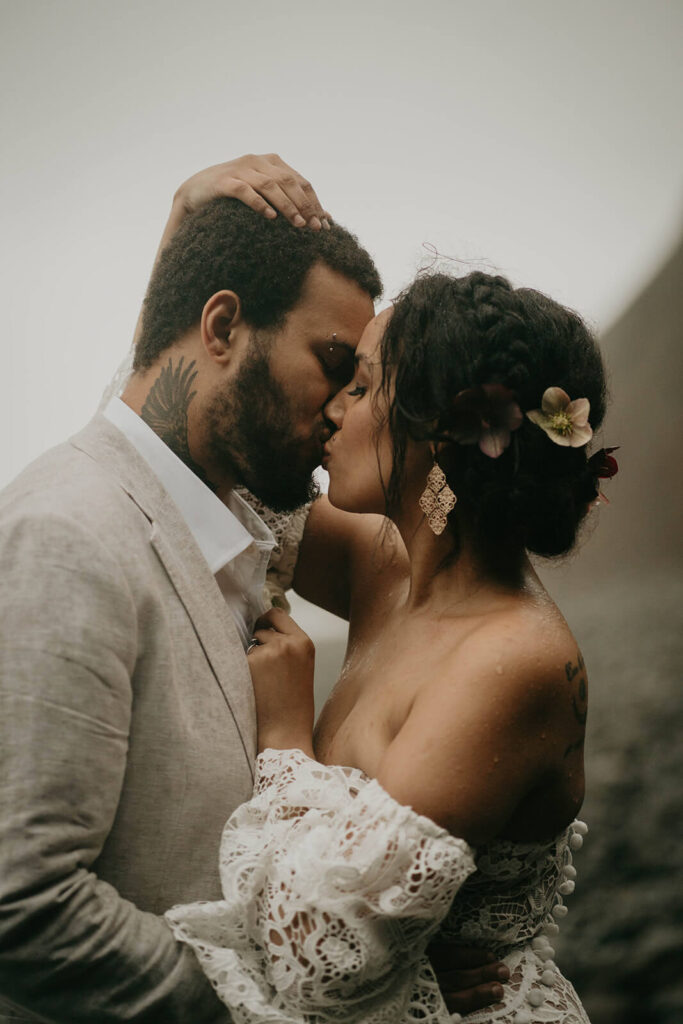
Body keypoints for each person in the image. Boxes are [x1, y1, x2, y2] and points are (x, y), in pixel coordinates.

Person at [0, 156, 505, 1023]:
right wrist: (302, 998)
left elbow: (157, 401)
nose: (344, 408)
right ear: (224, 326)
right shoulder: (67, 535)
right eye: (334, 365)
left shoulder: (237, 507)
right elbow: (21, 903)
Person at [164, 268, 615, 1021]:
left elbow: (317, 962)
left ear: (444, 428)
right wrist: (190, 229)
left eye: (363, 385)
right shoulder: (383, 565)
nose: (332, 408)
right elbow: (182, 459)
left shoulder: (511, 663)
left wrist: (283, 739)